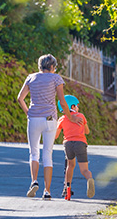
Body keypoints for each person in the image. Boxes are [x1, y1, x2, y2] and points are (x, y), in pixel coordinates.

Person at [17, 54, 84, 200]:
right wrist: (71, 117)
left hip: (34, 118)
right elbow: (62, 101)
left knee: (33, 152)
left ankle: (34, 181)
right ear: (52, 67)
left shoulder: (31, 77)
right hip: (50, 119)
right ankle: (47, 191)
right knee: (47, 154)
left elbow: (20, 98)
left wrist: (29, 112)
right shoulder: (56, 79)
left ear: (40, 66)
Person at [55, 95, 95, 199]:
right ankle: (89, 178)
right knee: (84, 169)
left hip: (68, 144)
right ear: (72, 106)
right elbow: (87, 131)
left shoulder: (62, 119)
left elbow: (55, 135)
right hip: (80, 143)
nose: (78, 107)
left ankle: (67, 188)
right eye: (77, 105)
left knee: (70, 165)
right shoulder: (81, 116)